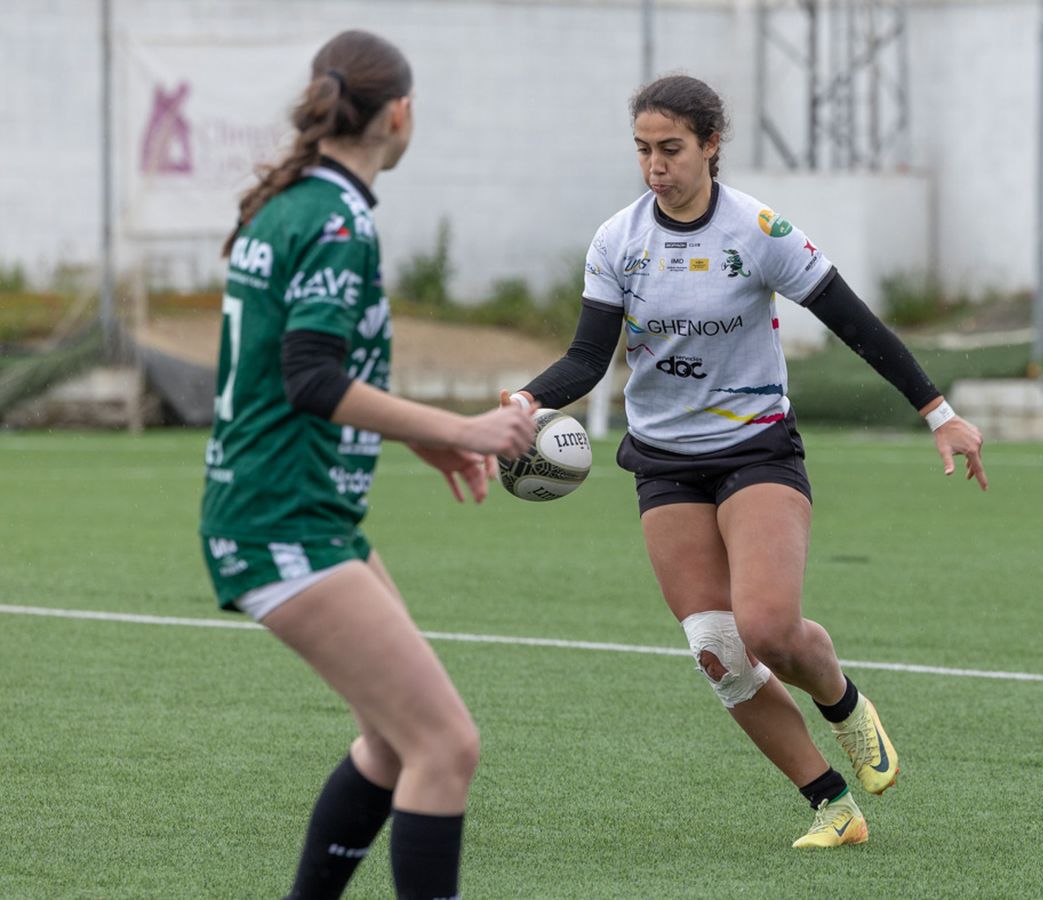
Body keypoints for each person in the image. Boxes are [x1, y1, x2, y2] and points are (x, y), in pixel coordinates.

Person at [503, 73, 986, 848]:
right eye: (643, 150)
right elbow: (588, 359)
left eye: (672, 149)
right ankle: (831, 805)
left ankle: (845, 704)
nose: (656, 166)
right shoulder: (617, 241)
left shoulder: (759, 230)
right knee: (718, 653)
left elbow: (854, 323)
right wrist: (525, 402)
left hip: (755, 446)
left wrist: (940, 413)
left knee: (767, 627)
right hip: (663, 462)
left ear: (711, 145)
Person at [199, 31, 535, 898]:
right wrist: (463, 430)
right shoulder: (337, 219)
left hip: (300, 514)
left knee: (392, 744)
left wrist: (416, 437)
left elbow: (301, 374)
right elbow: (312, 379)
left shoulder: (293, 204)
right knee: (444, 746)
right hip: (283, 521)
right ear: (400, 113)